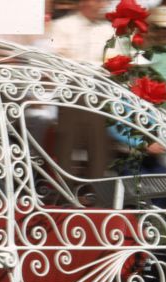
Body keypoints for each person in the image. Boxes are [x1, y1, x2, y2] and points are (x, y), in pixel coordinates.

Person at [49, 0, 114, 177]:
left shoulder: (108, 30)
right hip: (72, 91)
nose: (102, 5)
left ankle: (98, 195)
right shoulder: (62, 26)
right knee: (66, 146)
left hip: (98, 91)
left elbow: (114, 61)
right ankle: (65, 194)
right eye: (98, 1)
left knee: (98, 147)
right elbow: (57, 59)